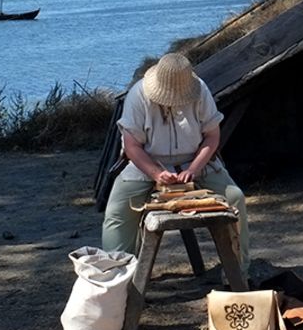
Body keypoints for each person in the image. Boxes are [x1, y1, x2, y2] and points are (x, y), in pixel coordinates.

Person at [100, 52, 249, 270]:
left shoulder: (200, 91)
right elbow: (132, 146)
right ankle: (116, 277)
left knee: (235, 199)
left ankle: (237, 271)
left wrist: (195, 168)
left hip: (197, 161)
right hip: (146, 164)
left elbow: (212, 136)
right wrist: (156, 173)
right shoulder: (137, 95)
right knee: (117, 212)